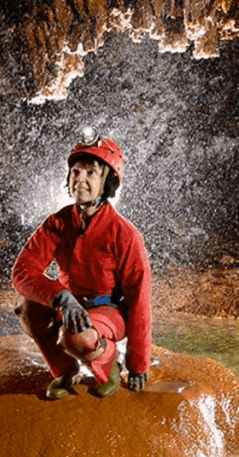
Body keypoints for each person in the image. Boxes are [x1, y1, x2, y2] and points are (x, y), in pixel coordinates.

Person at [12, 133, 152, 399]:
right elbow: (22, 271)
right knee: (27, 310)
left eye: (91, 173)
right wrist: (61, 297)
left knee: (76, 336)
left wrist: (138, 365)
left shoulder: (125, 234)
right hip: (70, 306)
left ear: (108, 181)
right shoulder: (58, 223)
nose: (80, 180)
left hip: (108, 311)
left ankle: (109, 364)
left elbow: (139, 299)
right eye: (75, 172)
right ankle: (65, 371)